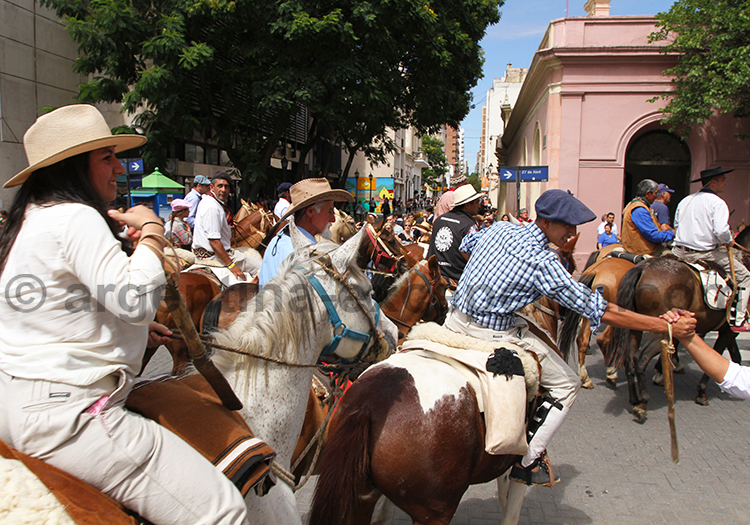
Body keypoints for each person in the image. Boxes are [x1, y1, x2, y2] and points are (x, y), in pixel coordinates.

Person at [0, 104, 249, 524]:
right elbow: (133, 300)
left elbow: (56, 309)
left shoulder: (29, 219)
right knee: (223, 510)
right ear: (72, 166)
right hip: (70, 413)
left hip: (15, 405)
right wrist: (152, 232)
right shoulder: (76, 216)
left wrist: (128, 330)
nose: (119, 166)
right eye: (107, 157)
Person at [447, 188, 696, 486]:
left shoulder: (499, 228)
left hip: (453, 320)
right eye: (566, 225)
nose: (572, 233)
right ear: (545, 223)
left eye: (575, 226)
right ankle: (528, 461)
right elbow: (600, 310)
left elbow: (466, 245)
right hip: (492, 333)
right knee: (568, 383)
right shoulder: (544, 262)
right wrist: (663, 326)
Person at [672, 166, 750, 330]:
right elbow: (721, 231)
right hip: (705, 253)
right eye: (723, 180)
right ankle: (739, 319)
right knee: (745, 276)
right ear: (714, 183)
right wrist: (728, 240)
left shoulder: (686, 200)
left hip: (678, 252)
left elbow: (676, 225)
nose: (725, 183)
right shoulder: (717, 202)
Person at [259, 178, 353, 288]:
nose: (333, 219)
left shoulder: (278, 240)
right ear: (310, 211)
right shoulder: (303, 255)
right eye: (330, 211)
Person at [192, 172, 256, 281]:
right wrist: (231, 265)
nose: (223, 190)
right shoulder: (212, 207)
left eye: (226, 187)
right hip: (215, 256)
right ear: (212, 187)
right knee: (261, 267)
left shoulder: (212, 202)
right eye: (220, 186)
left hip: (207, 254)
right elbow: (214, 241)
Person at [426, 185, 482, 286]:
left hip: (435, 275)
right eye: (477, 202)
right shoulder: (470, 225)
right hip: (458, 279)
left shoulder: (439, 220)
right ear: (467, 205)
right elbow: (475, 256)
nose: (479, 206)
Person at [621, 179, 674, 255]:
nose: (656, 196)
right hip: (642, 250)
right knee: (671, 256)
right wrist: (672, 233)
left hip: (634, 247)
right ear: (648, 193)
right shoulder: (640, 210)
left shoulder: (633, 204)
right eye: (655, 193)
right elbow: (653, 235)